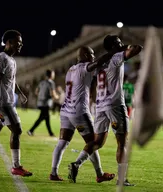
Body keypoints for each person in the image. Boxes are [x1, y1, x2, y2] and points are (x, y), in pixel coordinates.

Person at [68, 35, 142, 186]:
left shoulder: (99, 65)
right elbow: (138, 48)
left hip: (101, 106)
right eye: (119, 43)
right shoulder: (116, 57)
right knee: (122, 143)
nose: (122, 45)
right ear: (114, 46)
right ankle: (121, 179)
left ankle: (77, 164)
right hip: (115, 105)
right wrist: (122, 48)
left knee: (97, 142)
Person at [50, 46, 115, 183]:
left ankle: (53, 172)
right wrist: (112, 52)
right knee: (92, 143)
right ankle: (98, 174)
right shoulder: (84, 67)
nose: (93, 56)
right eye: (92, 54)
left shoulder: (71, 69)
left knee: (62, 142)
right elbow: (96, 63)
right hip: (78, 111)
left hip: (66, 110)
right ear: (85, 55)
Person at [0, 30, 32, 176]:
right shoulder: (2, 58)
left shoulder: (12, 60)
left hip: (4, 103)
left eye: (21, 42)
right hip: (4, 104)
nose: (21, 44)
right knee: (17, 130)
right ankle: (16, 166)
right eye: (18, 42)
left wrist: (20, 93)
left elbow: (11, 81)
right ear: (8, 42)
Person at [27, 70, 59, 137]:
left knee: (47, 118)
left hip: (40, 102)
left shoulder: (41, 82)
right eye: (53, 74)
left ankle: (50, 133)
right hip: (46, 103)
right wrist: (57, 96)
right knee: (41, 118)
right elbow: (53, 93)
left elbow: (36, 92)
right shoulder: (51, 83)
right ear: (51, 75)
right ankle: (31, 130)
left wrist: (41, 95)